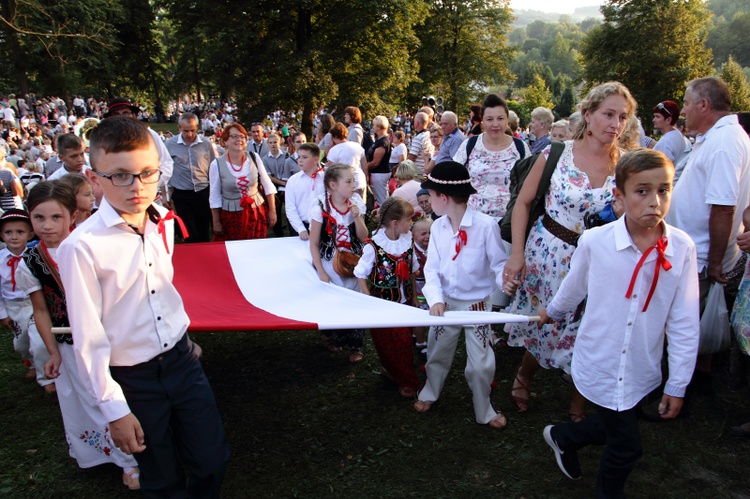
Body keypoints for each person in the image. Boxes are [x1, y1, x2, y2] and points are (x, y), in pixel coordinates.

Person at [58, 117, 230, 496]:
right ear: (94, 176)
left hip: (182, 361)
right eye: (120, 175)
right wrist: (114, 409)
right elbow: (88, 337)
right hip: (133, 378)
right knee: (161, 476)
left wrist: (180, 336)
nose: (137, 187)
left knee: (212, 460)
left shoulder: (162, 222)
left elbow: (162, 289)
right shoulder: (81, 247)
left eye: (146, 173)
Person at [540, 149, 699, 498]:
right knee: (627, 447)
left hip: (641, 366)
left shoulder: (682, 248)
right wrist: (551, 312)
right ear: (620, 196)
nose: (654, 201)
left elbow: (685, 320)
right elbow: (574, 286)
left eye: (664, 190)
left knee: (620, 421)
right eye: (642, 191)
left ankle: (564, 437)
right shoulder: (596, 242)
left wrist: (678, 383)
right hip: (600, 362)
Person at [504, 81, 637, 422]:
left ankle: (578, 404)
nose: (615, 124)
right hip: (549, 255)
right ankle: (525, 374)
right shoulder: (556, 154)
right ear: (588, 114)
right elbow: (524, 202)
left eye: (622, 117)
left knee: (589, 330)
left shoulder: (626, 165)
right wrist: (516, 254)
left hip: (600, 262)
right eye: (608, 114)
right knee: (545, 324)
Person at [17, 181, 142, 490]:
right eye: (38, 218)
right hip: (71, 343)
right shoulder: (30, 262)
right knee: (91, 398)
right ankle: (124, 460)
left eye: (56, 218)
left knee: (124, 392)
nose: (47, 226)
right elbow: (42, 311)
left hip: (111, 336)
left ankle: (139, 447)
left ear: (72, 216)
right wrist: (53, 352)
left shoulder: (90, 244)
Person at [414, 161, 514, 429]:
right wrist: (435, 299)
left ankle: (485, 408)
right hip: (444, 305)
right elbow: (431, 268)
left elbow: (497, 264)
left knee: (481, 364)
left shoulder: (485, 226)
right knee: (437, 352)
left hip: (477, 306)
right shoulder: (437, 228)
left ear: (443, 198)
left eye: (431, 195)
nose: (428, 199)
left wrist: (506, 280)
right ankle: (430, 391)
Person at [666, 76, 750, 393]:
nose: (684, 111)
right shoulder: (715, 136)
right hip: (697, 250)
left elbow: (723, 208)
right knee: (692, 323)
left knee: (687, 324)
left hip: (701, 255)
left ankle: (684, 389)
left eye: (687, 103)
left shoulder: (725, 143)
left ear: (704, 105)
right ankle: (694, 380)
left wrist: (714, 263)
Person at [354, 196, 420, 398]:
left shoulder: (407, 241)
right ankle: (405, 379)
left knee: (404, 341)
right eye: (409, 220)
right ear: (395, 223)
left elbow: (411, 271)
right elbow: (360, 273)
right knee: (388, 342)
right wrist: (368, 299)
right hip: (383, 304)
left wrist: (415, 298)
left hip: (404, 300)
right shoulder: (373, 246)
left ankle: (397, 373)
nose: (411, 223)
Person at [309, 163, 368, 362]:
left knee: (355, 300)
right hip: (329, 261)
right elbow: (314, 243)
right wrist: (321, 271)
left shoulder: (356, 201)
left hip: (354, 260)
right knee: (334, 301)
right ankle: (334, 337)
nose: (354, 185)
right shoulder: (320, 206)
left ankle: (356, 346)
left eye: (354, 180)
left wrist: (357, 217)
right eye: (349, 181)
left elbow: (363, 237)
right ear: (333, 185)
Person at [453, 93, 529, 221]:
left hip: (509, 223)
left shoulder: (520, 147)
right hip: (474, 221)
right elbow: (453, 177)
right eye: (489, 119)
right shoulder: (470, 145)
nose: (495, 124)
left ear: (507, 120)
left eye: (500, 118)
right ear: (482, 121)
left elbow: (528, 185)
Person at [209, 123, 277, 241]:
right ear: (225, 141)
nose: (239, 139)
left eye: (242, 136)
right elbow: (214, 195)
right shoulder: (217, 164)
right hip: (231, 215)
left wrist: (272, 211)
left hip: (255, 212)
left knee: (256, 248)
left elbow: (267, 185)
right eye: (234, 136)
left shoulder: (254, 157)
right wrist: (216, 221)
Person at [165, 112, 218, 242]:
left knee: (203, 229)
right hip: (182, 194)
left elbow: (214, 167)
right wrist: (165, 193)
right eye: (185, 131)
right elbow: (165, 170)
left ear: (197, 127)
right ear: (179, 128)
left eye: (192, 130)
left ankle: (204, 258)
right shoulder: (169, 145)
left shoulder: (206, 144)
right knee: (188, 232)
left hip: (202, 192)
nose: (189, 134)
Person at [0, 210, 36, 381]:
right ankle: (31, 361)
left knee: (40, 339)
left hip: (34, 303)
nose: (14, 237)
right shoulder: (0, 259)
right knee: (21, 343)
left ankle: (45, 375)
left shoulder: (34, 256)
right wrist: (3, 314)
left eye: (20, 232)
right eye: (8, 232)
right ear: (1, 235)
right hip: (13, 306)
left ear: (30, 234)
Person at [285, 142, 325, 239]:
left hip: (323, 225)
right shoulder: (293, 181)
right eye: (299, 157)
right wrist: (300, 228)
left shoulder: (325, 178)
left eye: (304, 157)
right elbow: (290, 207)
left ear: (315, 159)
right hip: (302, 226)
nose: (300, 160)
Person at [326, 123, 368, 202]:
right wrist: (366, 179)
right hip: (359, 180)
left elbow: (332, 171)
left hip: (344, 185)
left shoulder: (334, 150)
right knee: (361, 209)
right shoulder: (357, 146)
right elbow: (365, 166)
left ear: (334, 136)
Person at [411, 215, 433, 356]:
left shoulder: (434, 248)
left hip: (430, 284)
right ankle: (420, 341)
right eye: (423, 233)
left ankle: (420, 336)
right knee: (420, 315)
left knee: (430, 312)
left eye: (431, 233)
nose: (428, 237)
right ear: (413, 236)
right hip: (418, 286)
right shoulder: (412, 250)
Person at [262, 133, 290, 237]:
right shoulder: (265, 159)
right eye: (270, 142)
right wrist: (283, 183)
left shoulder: (286, 155)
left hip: (287, 185)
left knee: (289, 209)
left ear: (280, 143)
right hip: (274, 186)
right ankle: (279, 234)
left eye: (275, 142)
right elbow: (268, 176)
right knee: (276, 210)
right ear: (268, 144)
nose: (273, 144)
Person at [652, 100, 690, 166]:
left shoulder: (665, 142)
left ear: (668, 120)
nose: (653, 120)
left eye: (657, 117)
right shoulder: (677, 134)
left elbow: (664, 169)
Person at [365, 115, 392, 207]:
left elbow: (376, 162)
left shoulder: (383, 142)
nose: (373, 127)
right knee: (382, 197)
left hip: (380, 173)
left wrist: (365, 166)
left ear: (379, 126)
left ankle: (384, 216)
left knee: (382, 199)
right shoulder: (381, 140)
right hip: (379, 173)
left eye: (374, 125)